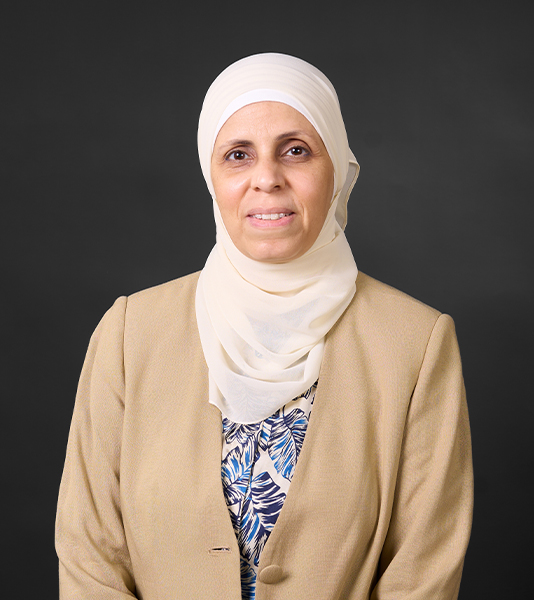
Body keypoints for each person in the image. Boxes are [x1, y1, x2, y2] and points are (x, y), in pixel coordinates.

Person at [55, 53, 473, 600]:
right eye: (238, 155)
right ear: (211, 176)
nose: (267, 179)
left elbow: (422, 572)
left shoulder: (415, 342)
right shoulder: (130, 334)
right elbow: (90, 557)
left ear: (336, 168)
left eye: (296, 150)